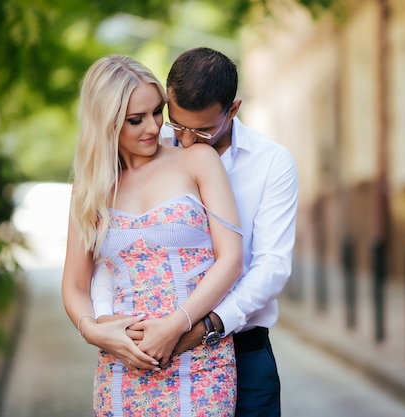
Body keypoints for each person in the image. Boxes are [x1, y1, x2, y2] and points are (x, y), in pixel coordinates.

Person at [61, 54, 243, 416]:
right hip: (121, 366)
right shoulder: (91, 188)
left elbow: (231, 260)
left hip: (199, 361)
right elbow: (74, 286)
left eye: (157, 112)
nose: (153, 127)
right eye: (135, 119)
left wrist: (176, 325)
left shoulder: (197, 160)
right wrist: (95, 332)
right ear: (107, 122)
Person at [127, 47, 299, 417]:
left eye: (203, 129)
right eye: (177, 124)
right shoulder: (151, 151)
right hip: (159, 351)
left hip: (243, 350)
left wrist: (204, 327)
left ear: (233, 110)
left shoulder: (271, 163)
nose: (186, 141)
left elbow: (271, 266)